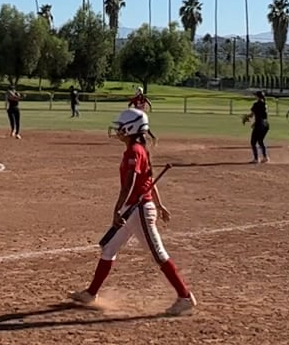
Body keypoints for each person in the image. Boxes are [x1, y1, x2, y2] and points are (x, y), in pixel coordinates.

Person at [70, 108, 195, 316]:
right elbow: (149, 181)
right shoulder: (138, 150)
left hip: (138, 210)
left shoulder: (135, 151)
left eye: (120, 127)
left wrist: (117, 209)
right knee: (109, 248)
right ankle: (91, 293)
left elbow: (130, 184)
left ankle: (185, 297)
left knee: (158, 254)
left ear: (130, 128)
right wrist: (159, 204)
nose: (118, 130)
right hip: (132, 210)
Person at [241, 90, 270, 164]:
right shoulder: (265, 104)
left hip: (259, 124)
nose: (255, 96)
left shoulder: (256, 104)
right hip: (266, 124)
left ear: (258, 96)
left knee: (253, 142)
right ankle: (265, 157)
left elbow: (251, 115)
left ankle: (256, 159)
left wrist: (246, 116)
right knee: (260, 141)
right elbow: (263, 116)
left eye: (256, 95)